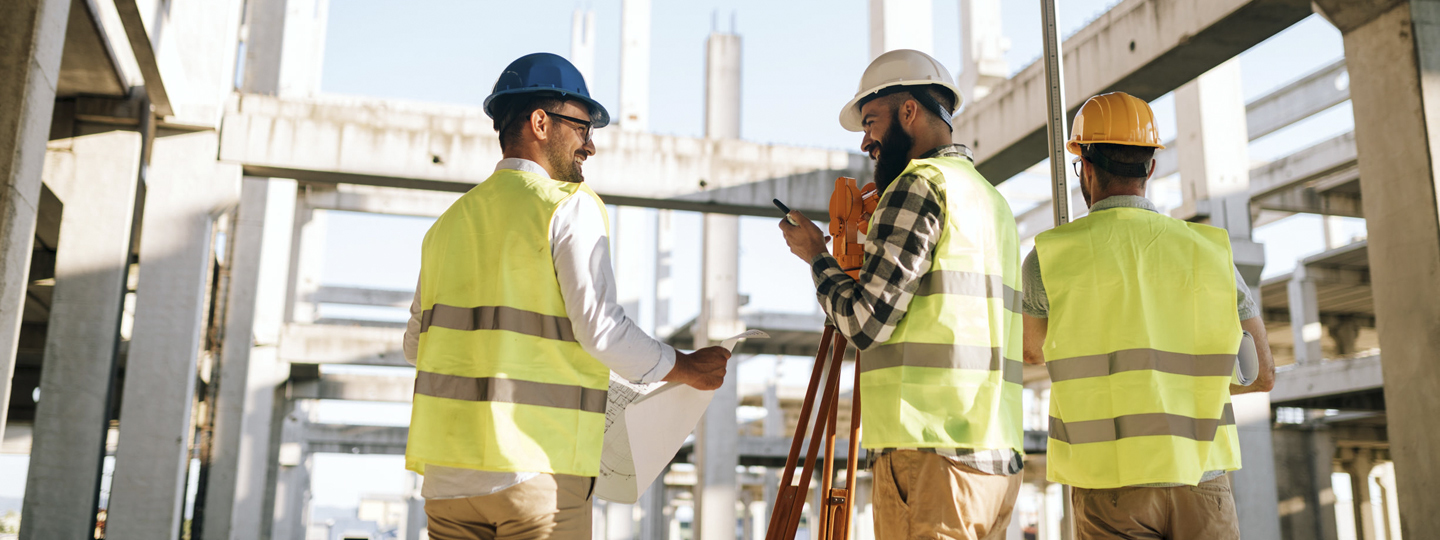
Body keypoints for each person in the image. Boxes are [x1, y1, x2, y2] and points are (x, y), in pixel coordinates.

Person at [402, 52, 731, 540]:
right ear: (540, 122)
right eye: (582, 128)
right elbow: (601, 330)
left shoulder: (448, 225)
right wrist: (688, 367)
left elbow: (416, 347)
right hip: (534, 473)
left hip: (448, 480)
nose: (590, 146)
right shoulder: (567, 207)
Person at [778, 49, 1024, 540]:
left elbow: (865, 323)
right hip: (994, 459)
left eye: (871, 122)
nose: (867, 140)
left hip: (930, 457)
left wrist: (816, 258)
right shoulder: (990, 200)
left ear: (908, 111)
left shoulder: (917, 186)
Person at [1020, 91, 1276, 540]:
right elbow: (1262, 375)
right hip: (1202, 476)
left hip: (1110, 486)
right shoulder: (1209, 253)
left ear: (1087, 168)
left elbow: (1032, 351)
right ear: (1151, 166)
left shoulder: (1050, 257)